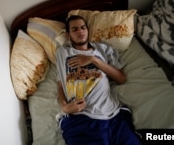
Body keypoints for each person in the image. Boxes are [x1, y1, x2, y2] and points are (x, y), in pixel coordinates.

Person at [56, 15, 141, 145]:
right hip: (81, 120)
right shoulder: (62, 53)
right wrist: (65, 108)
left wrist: (94, 60)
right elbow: (61, 85)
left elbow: (121, 79)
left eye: (83, 28)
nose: (80, 32)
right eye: (75, 29)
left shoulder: (103, 49)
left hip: (113, 116)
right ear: (68, 35)